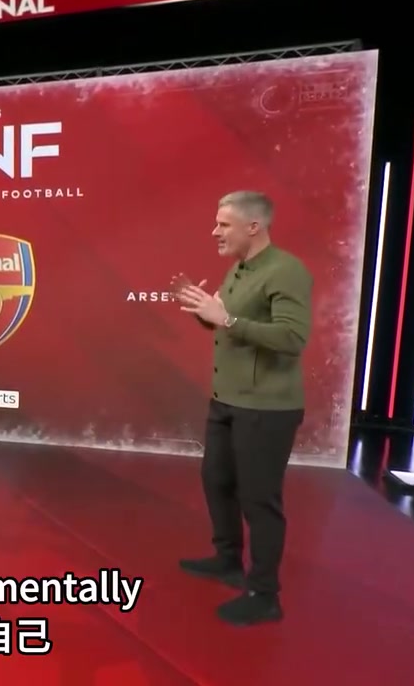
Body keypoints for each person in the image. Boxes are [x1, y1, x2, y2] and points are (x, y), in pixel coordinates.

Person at [172, 190, 312, 626]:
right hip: (227, 400)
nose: (215, 231)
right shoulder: (237, 269)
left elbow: (292, 338)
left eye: (223, 224)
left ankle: (264, 594)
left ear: (254, 226)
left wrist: (227, 319)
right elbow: (226, 323)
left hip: (266, 407)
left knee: (259, 498)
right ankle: (228, 560)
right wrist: (203, 310)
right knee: (216, 480)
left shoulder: (286, 270)